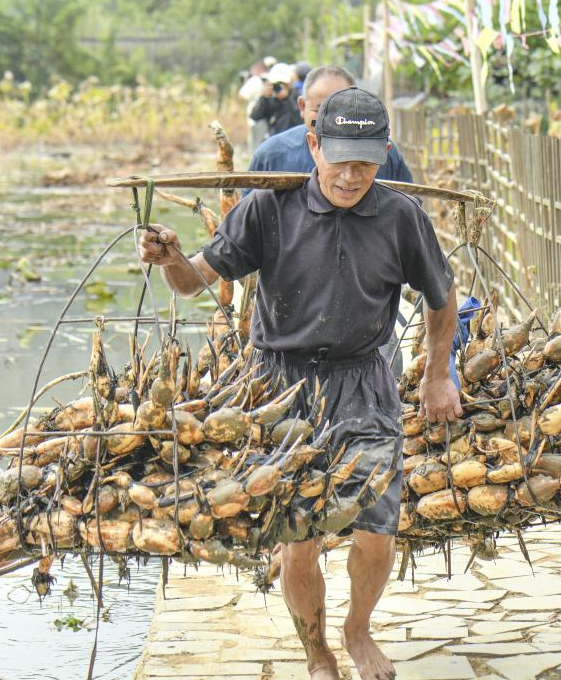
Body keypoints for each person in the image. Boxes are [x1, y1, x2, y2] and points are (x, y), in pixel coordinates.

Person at [139, 88, 461, 680]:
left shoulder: (400, 218)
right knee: (299, 537)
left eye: (364, 161)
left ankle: (357, 629)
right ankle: (317, 650)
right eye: (338, 158)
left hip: (363, 382)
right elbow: (193, 284)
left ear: (384, 154)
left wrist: (439, 375)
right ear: (312, 145)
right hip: (279, 393)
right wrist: (171, 258)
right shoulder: (268, 212)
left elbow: (443, 300)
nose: (350, 174)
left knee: (377, 530)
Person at [248, 66, 413, 185]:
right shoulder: (271, 154)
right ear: (302, 107)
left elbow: (408, 207)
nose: (331, 119)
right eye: (321, 109)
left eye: (341, 108)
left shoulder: (380, 151)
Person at [249, 62, 302, 137]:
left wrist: (287, 99)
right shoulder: (270, 99)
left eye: (281, 83)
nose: (278, 87)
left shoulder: (296, 96)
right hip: (275, 139)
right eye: (275, 84)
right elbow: (254, 116)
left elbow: (299, 120)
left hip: (294, 138)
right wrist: (264, 98)